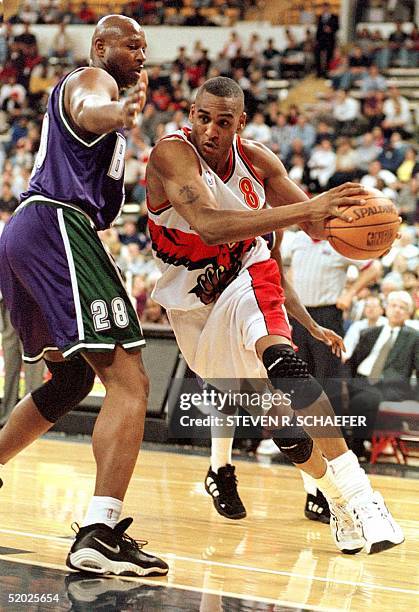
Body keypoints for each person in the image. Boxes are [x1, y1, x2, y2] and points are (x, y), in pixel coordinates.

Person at [146, 76, 404, 555]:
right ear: (192, 114)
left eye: (223, 122)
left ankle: (363, 496)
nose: (210, 131)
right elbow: (209, 224)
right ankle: (335, 498)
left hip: (248, 275)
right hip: (192, 307)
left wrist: (361, 218)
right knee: (280, 422)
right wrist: (303, 211)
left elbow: (313, 221)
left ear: (240, 124)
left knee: (286, 364)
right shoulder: (171, 154)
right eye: (203, 118)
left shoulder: (260, 163)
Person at [0, 16, 168, 577]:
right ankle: (100, 532)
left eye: (145, 46)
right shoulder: (92, 80)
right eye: (133, 44)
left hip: (33, 232)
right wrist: (118, 114)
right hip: (55, 224)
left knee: (72, 379)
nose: (142, 54)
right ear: (101, 46)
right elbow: (89, 108)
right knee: (131, 381)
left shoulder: (108, 96)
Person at [348, 291, 419, 458]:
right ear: (386, 308)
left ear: (408, 313)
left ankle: (356, 448)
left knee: (365, 399)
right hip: (361, 379)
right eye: (394, 306)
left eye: (402, 308)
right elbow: (353, 362)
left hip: (390, 385)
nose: (397, 310)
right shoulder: (369, 333)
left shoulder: (414, 337)